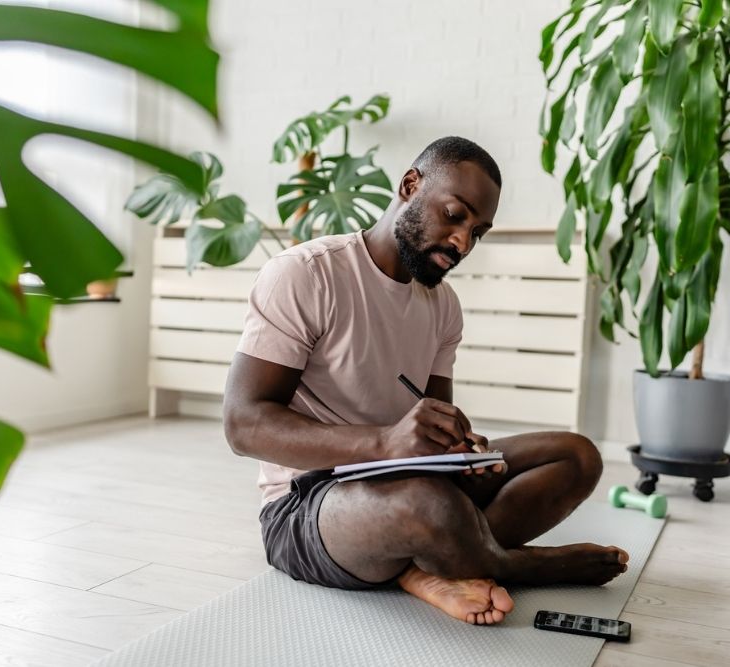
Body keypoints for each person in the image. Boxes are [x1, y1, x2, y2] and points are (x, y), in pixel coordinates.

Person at [223, 136, 629, 626]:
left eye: (478, 232)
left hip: (409, 481)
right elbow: (243, 425)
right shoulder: (306, 275)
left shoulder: (443, 307)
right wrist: (385, 443)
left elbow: (435, 431)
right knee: (429, 505)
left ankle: (429, 566)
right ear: (410, 185)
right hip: (308, 505)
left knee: (576, 455)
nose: (462, 242)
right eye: (455, 215)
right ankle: (512, 564)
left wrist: (462, 449)